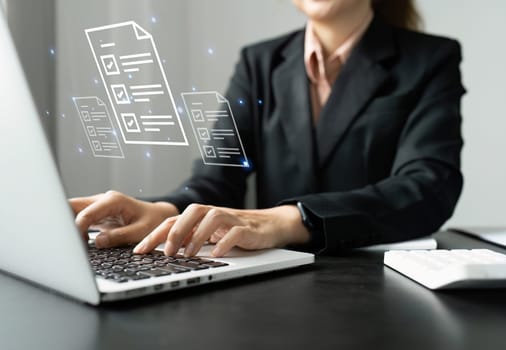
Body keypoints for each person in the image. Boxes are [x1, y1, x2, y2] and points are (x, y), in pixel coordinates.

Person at [70, 0, 465, 257]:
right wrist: (163, 210)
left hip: (379, 281)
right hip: (275, 281)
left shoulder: (430, 59)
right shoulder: (258, 62)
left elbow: (429, 186)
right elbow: (218, 178)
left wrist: (285, 221)